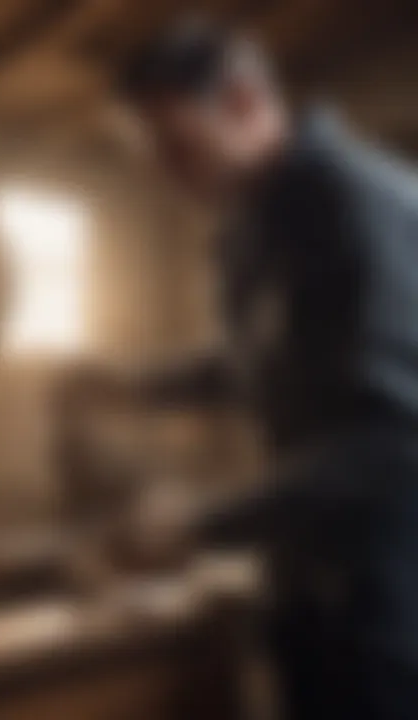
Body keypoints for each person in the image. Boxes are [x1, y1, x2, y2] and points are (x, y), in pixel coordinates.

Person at [118, 21, 418, 720]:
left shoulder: (359, 208)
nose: (166, 174)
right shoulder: (256, 220)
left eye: (178, 148)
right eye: (152, 155)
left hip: (390, 590)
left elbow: (395, 441)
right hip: (305, 570)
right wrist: (138, 386)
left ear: (248, 103)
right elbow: (262, 358)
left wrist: (200, 523)